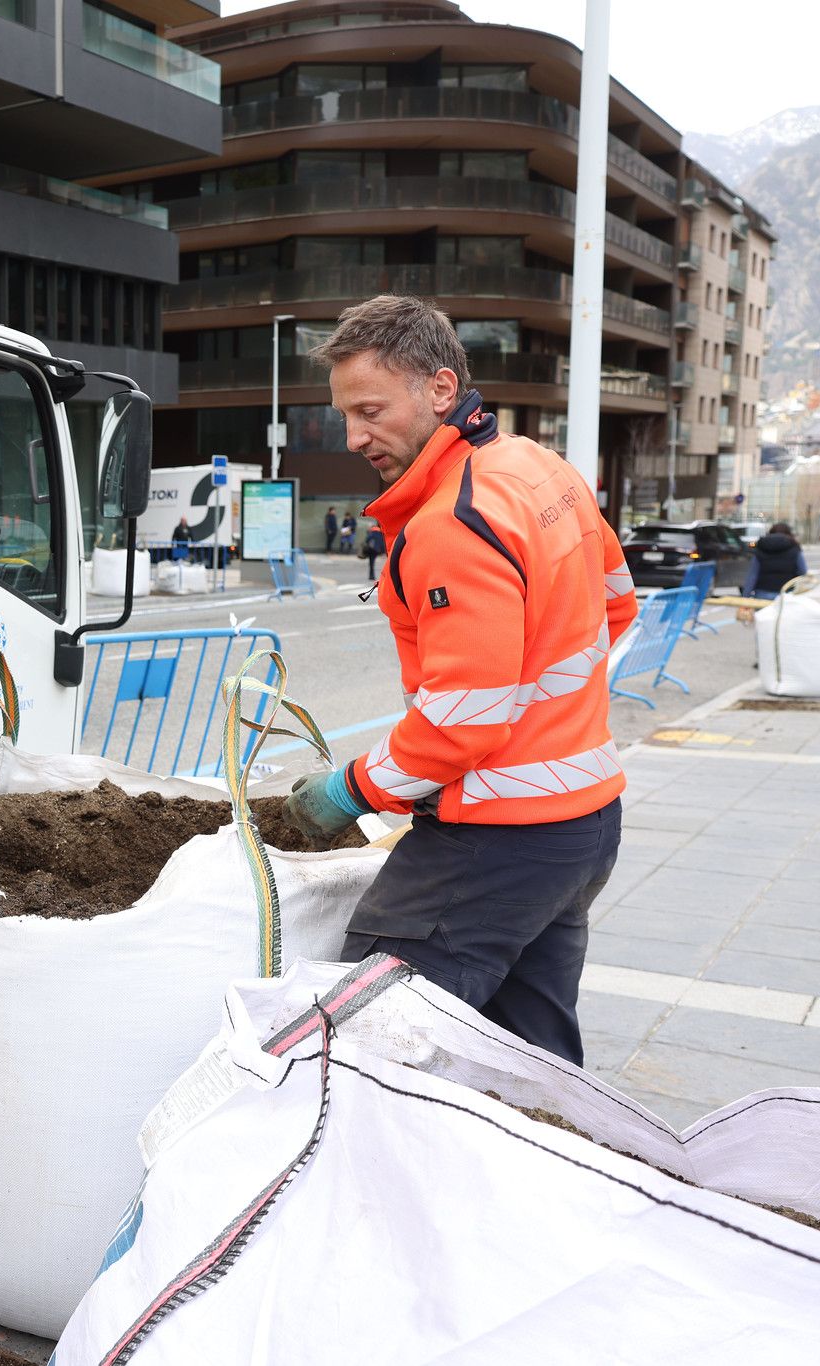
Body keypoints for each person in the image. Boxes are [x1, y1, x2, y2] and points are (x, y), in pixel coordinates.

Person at [284, 295, 636, 1066]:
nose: (354, 437)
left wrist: (350, 790)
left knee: (357, 1043)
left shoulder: (451, 521)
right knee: (533, 1060)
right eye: (345, 416)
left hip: (496, 839)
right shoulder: (541, 469)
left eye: (371, 411)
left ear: (441, 389)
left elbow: (460, 724)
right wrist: (542, 710)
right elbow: (617, 601)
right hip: (584, 822)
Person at [744, 521, 807, 598]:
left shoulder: (761, 547)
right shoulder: (794, 547)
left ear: (771, 533)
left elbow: (753, 575)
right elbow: (802, 571)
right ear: (789, 533)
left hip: (762, 594)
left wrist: (746, 596)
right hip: (786, 595)